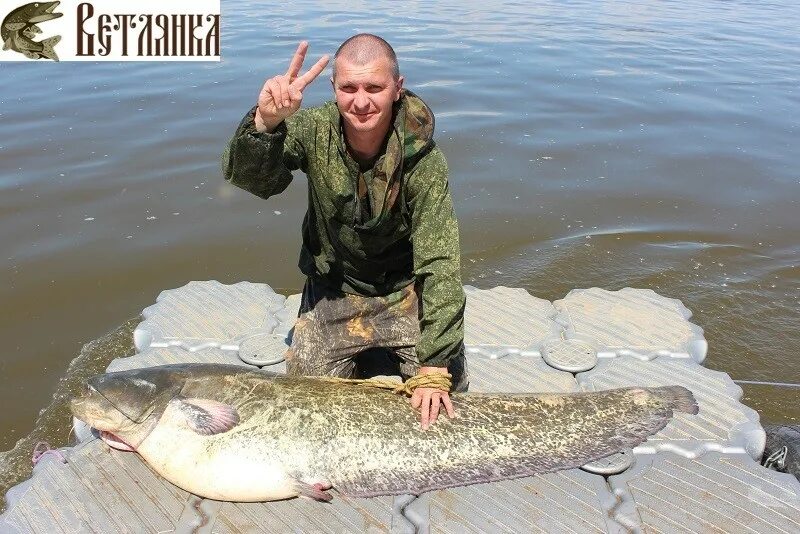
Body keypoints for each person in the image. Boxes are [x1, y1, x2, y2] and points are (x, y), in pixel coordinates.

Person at [222, 34, 468, 429]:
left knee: (449, 394)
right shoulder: (313, 130)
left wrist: (435, 363)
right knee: (307, 406)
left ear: (397, 89)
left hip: (402, 291)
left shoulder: (425, 161)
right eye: (348, 88)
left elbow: (439, 261)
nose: (361, 101)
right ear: (334, 88)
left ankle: (396, 353)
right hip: (334, 291)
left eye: (375, 87)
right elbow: (256, 181)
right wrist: (266, 124)